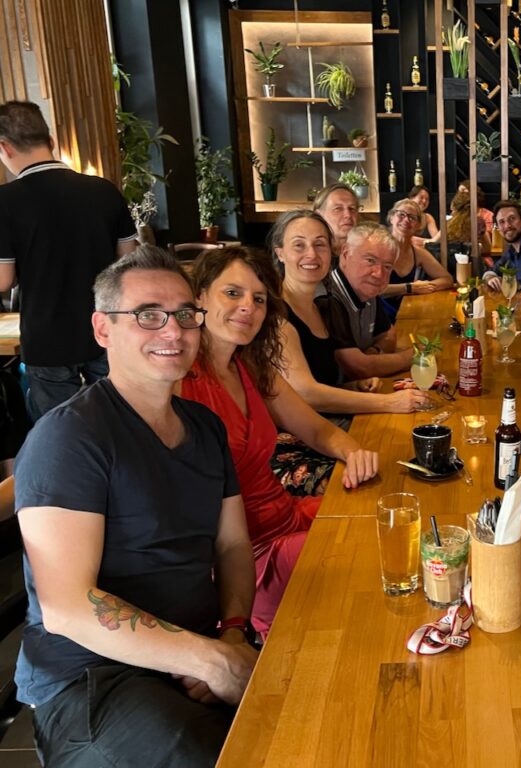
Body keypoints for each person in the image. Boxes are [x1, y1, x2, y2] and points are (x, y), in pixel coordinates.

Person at [14, 246, 258, 765]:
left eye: (186, 315)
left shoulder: (204, 427)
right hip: (91, 680)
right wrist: (211, 660)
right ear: (103, 328)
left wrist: (233, 634)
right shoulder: (69, 437)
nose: (174, 331)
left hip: (193, 654)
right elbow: (67, 608)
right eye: (148, 315)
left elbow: (233, 545)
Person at [182, 246, 378, 638]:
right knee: (367, 560)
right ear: (199, 297)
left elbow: (319, 431)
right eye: (232, 293)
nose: (248, 307)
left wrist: (354, 451)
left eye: (259, 299)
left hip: (288, 519)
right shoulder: (179, 379)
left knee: (389, 517)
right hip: (247, 559)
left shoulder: (251, 366)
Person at [0, 100, 138, 420]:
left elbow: (3, 280)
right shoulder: (103, 191)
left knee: (61, 429)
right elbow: (128, 263)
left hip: (46, 338)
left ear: (4, 147)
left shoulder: (5, 201)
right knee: (117, 418)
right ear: (50, 141)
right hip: (105, 328)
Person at [270, 211, 428, 412]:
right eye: (299, 245)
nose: (312, 254)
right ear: (280, 253)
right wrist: (390, 402)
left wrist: (352, 387)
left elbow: (322, 383)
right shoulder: (275, 312)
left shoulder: (319, 307)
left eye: (320, 245)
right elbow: (306, 394)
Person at [318, 221, 429, 382]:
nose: (379, 274)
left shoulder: (366, 290)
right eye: (370, 260)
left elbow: (389, 335)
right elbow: (358, 369)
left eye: (387, 266)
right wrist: (413, 356)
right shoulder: (328, 298)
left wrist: (372, 353)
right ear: (345, 254)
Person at [380, 198, 453, 319]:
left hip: (407, 313)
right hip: (379, 318)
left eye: (412, 218)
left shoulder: (418, 253)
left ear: (418, 226)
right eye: (401, 214)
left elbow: (447, 279)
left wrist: (423, 286)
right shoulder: (378, 249)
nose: (406, 220)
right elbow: (373, 289)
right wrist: (410, 288)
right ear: (392, 218)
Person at [313, 183, 360, 259]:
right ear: (319, 215)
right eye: (338, 209)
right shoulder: (312, 255)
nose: (348, 215)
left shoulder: (367, 251)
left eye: (352, 208)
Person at [407, 185, 441, 249]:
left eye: (427, 199)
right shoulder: (404, 216)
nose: (424, 201)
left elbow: (437, 240)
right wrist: (429, 241)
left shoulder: (428, 218)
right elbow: (406, 239)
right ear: (412, 198)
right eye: (421, 197)